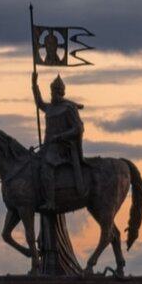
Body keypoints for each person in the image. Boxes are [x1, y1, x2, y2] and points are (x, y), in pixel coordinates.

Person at [31, 71, 85, 211]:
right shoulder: (50, 108)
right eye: (51, 92)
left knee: (47, 165)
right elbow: (39, 103)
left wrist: (60, 136)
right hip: (48, 146)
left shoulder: (68, 108)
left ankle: (50, 202)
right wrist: (34, 84)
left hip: (63, 147)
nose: (52, 95)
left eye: (55, 92)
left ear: (60, 92)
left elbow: (78, 128)